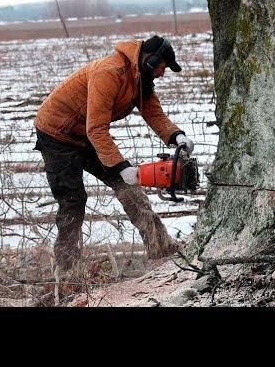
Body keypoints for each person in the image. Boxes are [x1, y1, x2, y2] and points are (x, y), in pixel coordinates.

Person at [33, 35, 194, 274]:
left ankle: (161, 246)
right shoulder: (109, 73)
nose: (162, 73)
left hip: (85, 133)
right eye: (162, 67)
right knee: (73, 201)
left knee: (129, 188)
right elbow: (97, 128)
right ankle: (67, 270)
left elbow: (154, 115)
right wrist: (121, 166)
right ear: (150, 61)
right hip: (58, 134)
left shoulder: (140, 79)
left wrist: (176, 136)